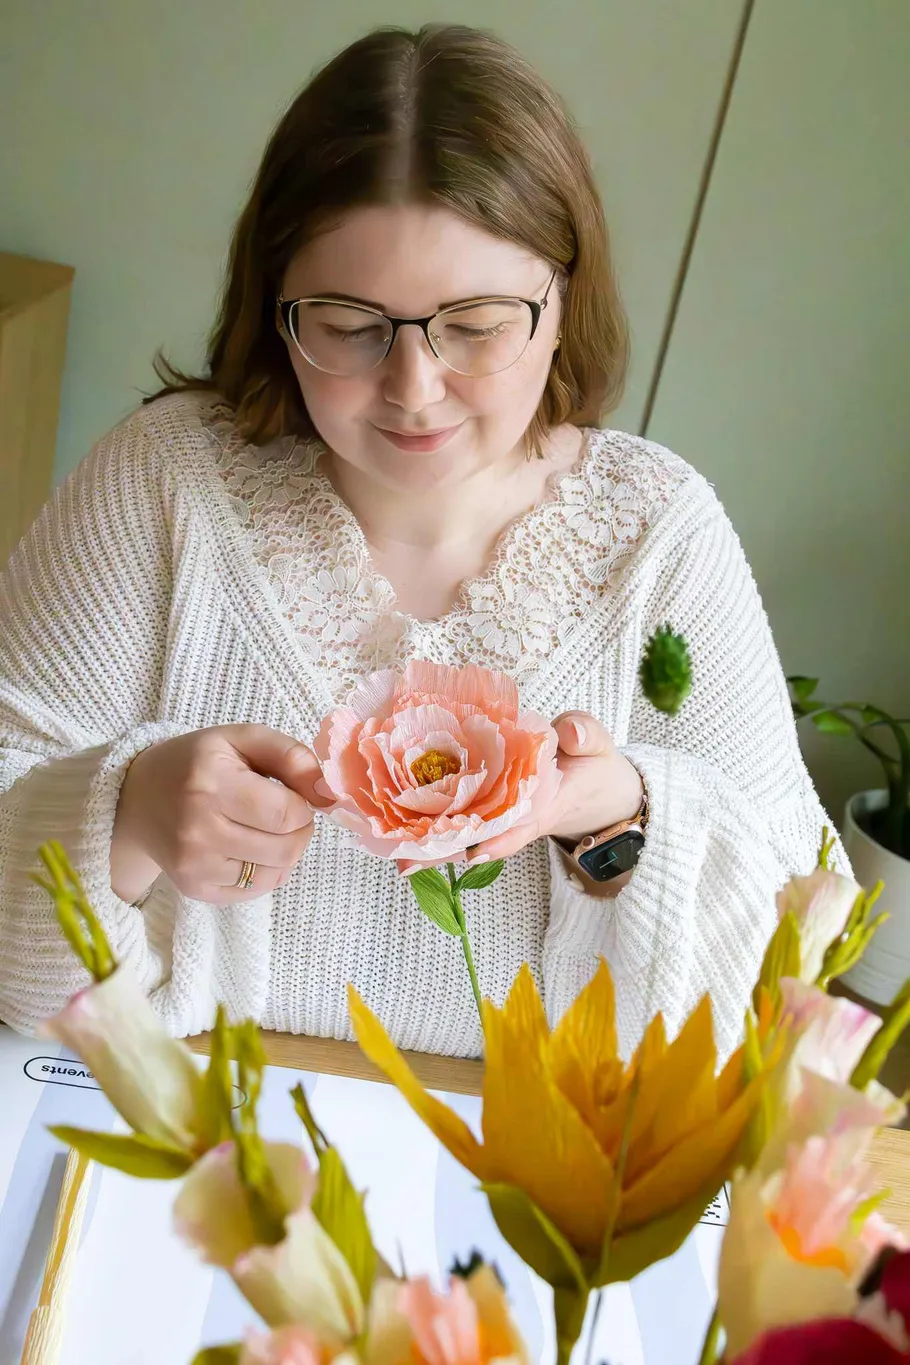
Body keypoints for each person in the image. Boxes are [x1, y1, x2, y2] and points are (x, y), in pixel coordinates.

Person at [0, 24, 837, 1059]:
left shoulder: (658, 534)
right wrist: (122, 814)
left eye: (476, 325)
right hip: (182, 1132)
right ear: (274, 307)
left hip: (530, 1172)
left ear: (562, 299)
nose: (412, 387)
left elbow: (803, 950)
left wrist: (618, 820)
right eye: (349, 324)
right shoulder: (163, 481)